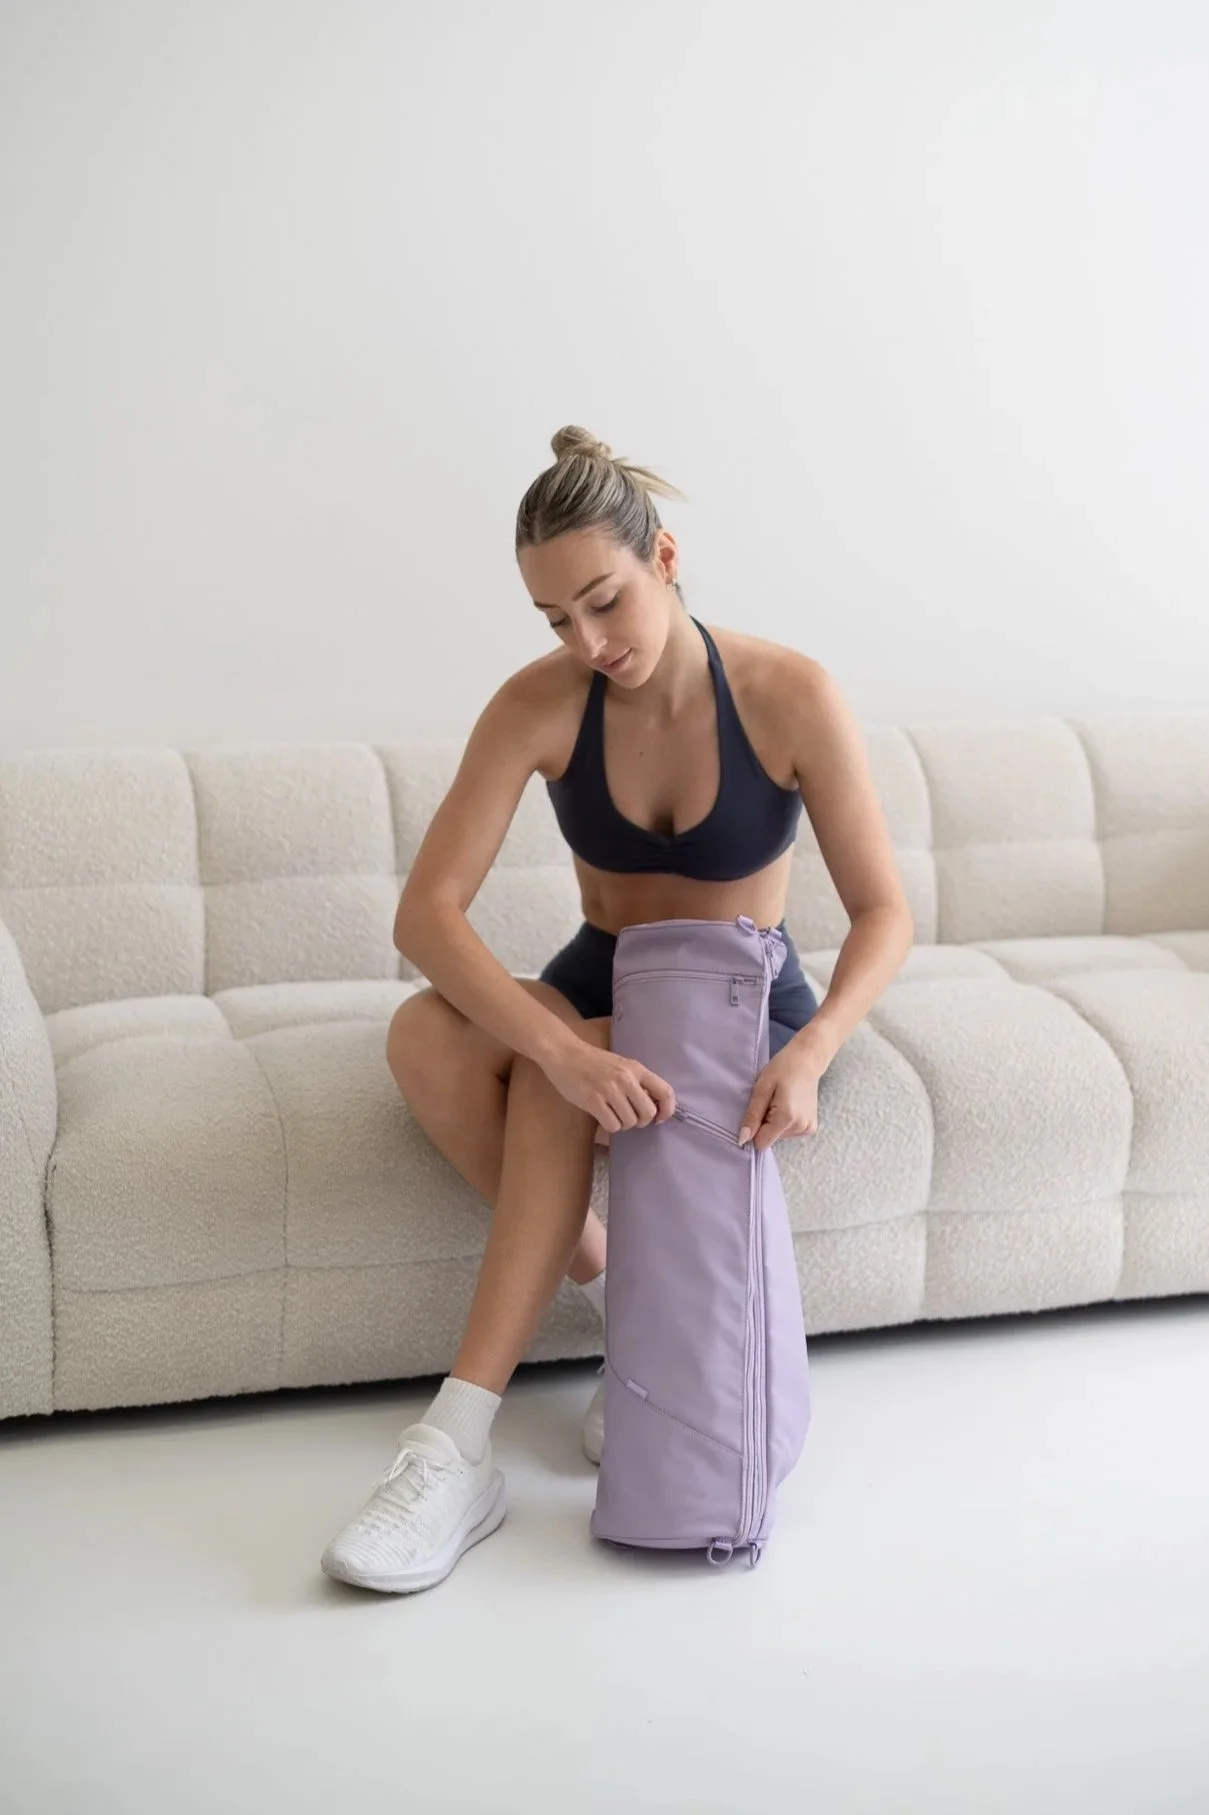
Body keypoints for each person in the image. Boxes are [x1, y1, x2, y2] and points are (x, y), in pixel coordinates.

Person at [321, 427, 913, 1594]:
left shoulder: (790, 694)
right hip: (605, 980)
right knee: (427, 1033)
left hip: (741, 1005)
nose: (588, 643)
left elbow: (884, 911)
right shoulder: (539, 706)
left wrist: (818, 1050)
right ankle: (569, 1343)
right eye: (555, 619)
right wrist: (557, 1045)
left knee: (553, 1073)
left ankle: (455, 1445)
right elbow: (426, 918)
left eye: (604, 602)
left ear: (667, 558)